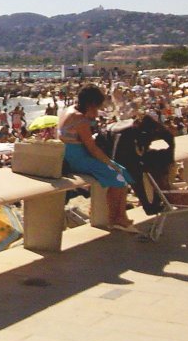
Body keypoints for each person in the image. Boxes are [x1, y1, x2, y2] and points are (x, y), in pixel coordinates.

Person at [59, 84, 137, 232]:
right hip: (77, 157)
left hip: (69, 154)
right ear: (91, 104)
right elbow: (92, 147)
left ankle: (120, 216)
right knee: (119, 176)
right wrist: (109, 162)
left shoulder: (69, 111)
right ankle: (116, 218)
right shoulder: (80, 119)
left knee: (122, 173)